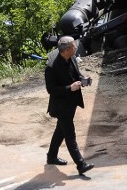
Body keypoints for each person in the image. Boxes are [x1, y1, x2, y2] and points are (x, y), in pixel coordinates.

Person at [44, 36, 95, 175]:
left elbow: (76, 74)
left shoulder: (71, 58)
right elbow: (51, 90)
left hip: (71, 102)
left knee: (60, 130)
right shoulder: (52, 67)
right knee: (70, 135)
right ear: (66, 50)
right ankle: (81, 164)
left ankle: (51, 156)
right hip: (61, 106)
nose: (76, 47)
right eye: (73, 46)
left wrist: (83, 79)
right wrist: (69, 88)